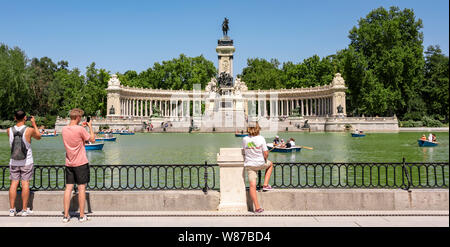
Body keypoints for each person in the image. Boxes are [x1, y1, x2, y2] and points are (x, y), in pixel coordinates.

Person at [61, 108, 95, 223]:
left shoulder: (64, 129)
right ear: (78, 117)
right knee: (81, 189)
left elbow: (75, 138)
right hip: (80, 163)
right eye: (81, 117)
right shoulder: (80, 129)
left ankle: (65, 216)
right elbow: (92, 140)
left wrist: (82, 129)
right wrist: (89, 126)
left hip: (69, 162)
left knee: (68, 188)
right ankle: (81, 215)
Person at [7, 110, 41, 216]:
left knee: (14, 184)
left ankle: (12, 210)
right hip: (27, 161)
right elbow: (39, 137)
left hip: (14, 161)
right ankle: (24, 210)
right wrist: (34, 124)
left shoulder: (9, 130)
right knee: (25, 183)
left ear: (15, 118)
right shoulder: (29, 130)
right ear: (25, 118)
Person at [242, 122, 274, 213]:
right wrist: (265, 159)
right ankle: (265, 184)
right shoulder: (261, 138)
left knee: (252, 186)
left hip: (250, 165)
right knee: (271, 164)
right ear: (257, 129)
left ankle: (257, 208)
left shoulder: (244, 139)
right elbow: (266, 153)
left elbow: (244, 150)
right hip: (260, 164)